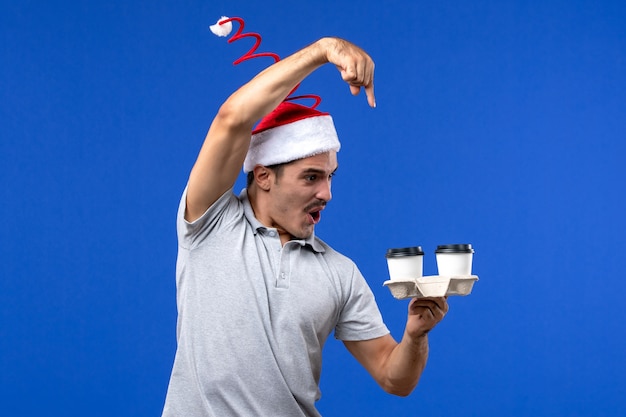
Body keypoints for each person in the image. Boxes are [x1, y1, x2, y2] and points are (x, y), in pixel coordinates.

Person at [162, 35, 449, 417]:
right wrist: (324, 50)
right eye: (311, 177)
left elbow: (394, 378)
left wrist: (415, 336)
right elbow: (233, 119)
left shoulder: (339, 273)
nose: (327, 193)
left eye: (331, 177)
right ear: (263, 175)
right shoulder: (211, 223)